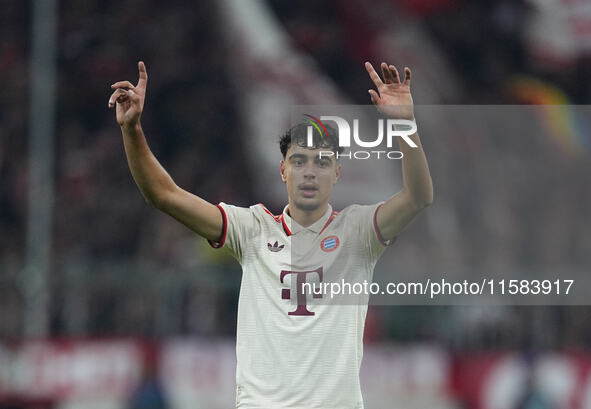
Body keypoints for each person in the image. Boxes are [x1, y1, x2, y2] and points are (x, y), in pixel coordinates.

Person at [108, 60, 433, 409]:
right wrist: (132, 132)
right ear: (283, 170)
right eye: (299, 161)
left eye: (322, 163)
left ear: (337, 173)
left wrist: (404, 125)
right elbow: (164, 195)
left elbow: (418, 197)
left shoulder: (358, 232)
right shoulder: (252, 229)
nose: (309, 172)